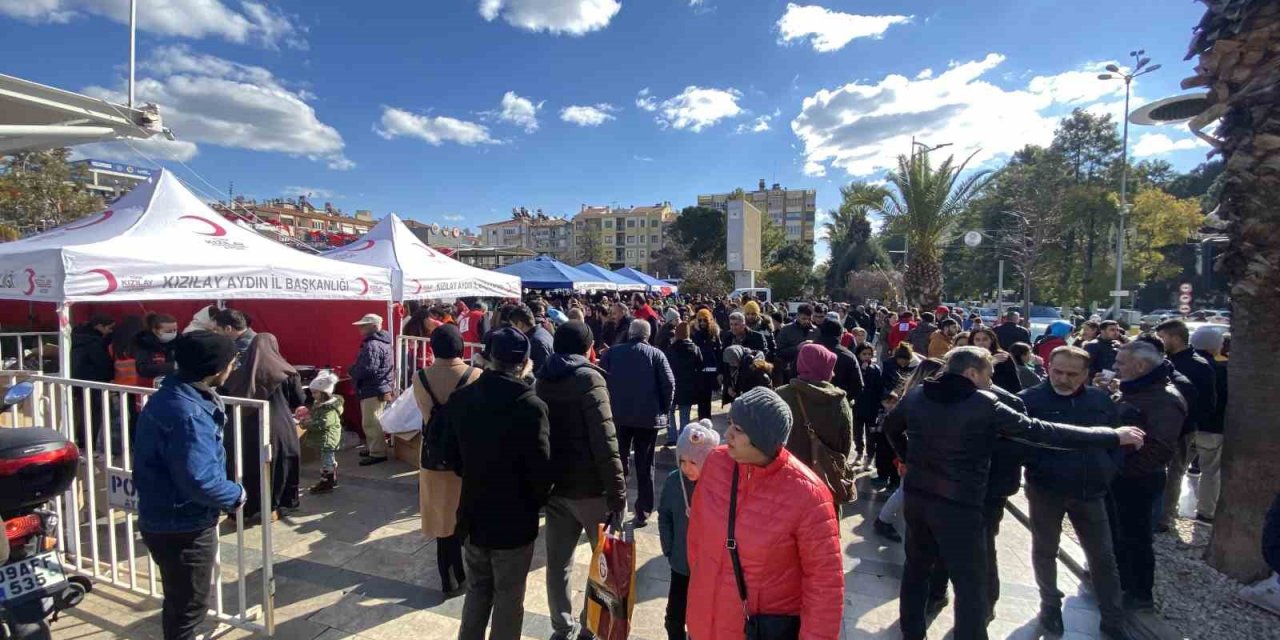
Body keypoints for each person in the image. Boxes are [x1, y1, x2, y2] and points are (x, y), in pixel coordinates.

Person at [884, 347, 1144, 640]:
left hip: (919, 499)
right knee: (970, 583)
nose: (992, 382)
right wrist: (1112, 435)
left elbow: (891, 427)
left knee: (916, 569)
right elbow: (1042, 431)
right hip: (961, 506)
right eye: (989, 375)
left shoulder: (917, 394)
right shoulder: (984, 403)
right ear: (972, 373)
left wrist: (909, 459)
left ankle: (912, 633)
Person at [685, 387, 844, 640]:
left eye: (738, 430)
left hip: (757, 630)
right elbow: (697, 536)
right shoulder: (716, 463)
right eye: (730, 424)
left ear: (763, 439)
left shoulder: (809, 495)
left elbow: (824, 586)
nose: (727, 435)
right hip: (704, 621)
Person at [134, 331, 245, 640]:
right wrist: (236, 494)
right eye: (232, 362)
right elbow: (200, 480)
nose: (234, 367)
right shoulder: (189, 413)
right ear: (215, 367)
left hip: (164, 514)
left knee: (180, 601)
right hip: (182, 523)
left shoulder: (171, 396)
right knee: (188, 609)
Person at [445, 327, 552, 640]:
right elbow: (541, 469)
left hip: (474, 513)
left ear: (488, 358)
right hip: (515, 521)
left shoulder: (462, 399)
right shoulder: (531, 407)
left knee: (477, 591)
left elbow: (451, 457)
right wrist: (534, 501)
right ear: (525, 363)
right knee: (508, 597)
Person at [1020, 346, 1129, 639]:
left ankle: (1113, 619)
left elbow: (1117, 439)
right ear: (1048, 368)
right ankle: (1050, 606)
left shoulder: (1100, 401)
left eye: (1071, 374)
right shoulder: (1029, 400)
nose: (1063, 379)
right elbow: (1019, 443)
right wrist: (1038, 466)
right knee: (1045, 549)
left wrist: (1108, 469)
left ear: (1085, 375)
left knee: (1103, 557)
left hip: (1091, 491)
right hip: (1046, 490)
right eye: (1057, 371)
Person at [535, 321, 627, 639]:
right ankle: (592, 626)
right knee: (602, 562)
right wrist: (617, 491)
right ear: (587, 346)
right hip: (591, 489)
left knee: (558, 563)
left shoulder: (542, 379)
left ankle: (561, 626)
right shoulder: (589, 378)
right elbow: (606, 439)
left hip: (556, 487)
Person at [1103, 340, 1185, 612]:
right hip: (1118, 475)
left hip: (1136, 480)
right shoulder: (1136, 390)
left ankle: (1139, 594)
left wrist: (1121, 471)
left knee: (1135, 537)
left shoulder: (1166, 399)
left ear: (1139, 366)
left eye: (1121, 363)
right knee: (1116, 532)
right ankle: (1118, 582)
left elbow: (1160, 449)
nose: (1115, 367)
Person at [413, 324, 482, 598]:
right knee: (469, 518)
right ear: (461, 346)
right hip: (469, 457)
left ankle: (450, 579)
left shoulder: (421, 377)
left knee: (443, 526)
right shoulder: (475, 375)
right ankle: (473, 576)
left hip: (436, 457)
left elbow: (424, 412)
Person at [224, 333, 306, 521]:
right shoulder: (287, 372)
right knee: (277, 467)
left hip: (241, 428)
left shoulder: (236, 374)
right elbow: (299, 400)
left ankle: (240, 509)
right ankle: (272, 508)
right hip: (278, 428)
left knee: (242, 467)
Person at [600, 319, 674, 528]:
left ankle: (616, 508)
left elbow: (600, 381)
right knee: (644, 464)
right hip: (646, 419)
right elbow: (669, 385)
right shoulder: (656, 354)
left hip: (619, 417)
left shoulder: (612, 353)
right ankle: (643, 511)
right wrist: (663, 410)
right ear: (647, 335)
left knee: (618, 462)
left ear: (630, 333)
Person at [872, 358, 944, 544]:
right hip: (913, 450)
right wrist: (903, 456)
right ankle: (883, 520)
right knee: (905, 489)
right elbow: (895, 426)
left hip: (914, 449)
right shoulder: (918, 395)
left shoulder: (914, 393)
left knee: (907, 488)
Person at [658, 420, 719, 640]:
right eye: (682, 460)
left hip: (707, 569)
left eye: (694, 462)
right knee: (674, 616)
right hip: (680, 564)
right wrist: (668, 547)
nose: (686, 467)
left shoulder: (717, 484)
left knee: (702, 616)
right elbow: (664, 514)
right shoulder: (674, 481)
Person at [1155, 319, 1217, 530]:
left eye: (1162, 338)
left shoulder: (1198, 365)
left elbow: (1208, 402)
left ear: (1174, 337)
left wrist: (1189, 422)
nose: (1160, 342)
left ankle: (1165, 517)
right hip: (1159, 426)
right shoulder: (1163, 361)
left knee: (1174, 472)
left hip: (1182, 429)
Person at [778, 344, 855, 502]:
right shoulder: (839, 401)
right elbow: (845, 446)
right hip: (824, 482)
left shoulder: (780, 396)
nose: (833, 373)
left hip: (786, 480)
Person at [1189, 326, 1228, 523]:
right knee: (1211, 471)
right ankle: (1205, 512)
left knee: (1175, 469)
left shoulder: (1183, 363)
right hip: (1212, 427)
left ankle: (1164, 511)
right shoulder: (1223, 369)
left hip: (1185, 425)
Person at [349, 313, 395, 466]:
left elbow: (368, 369)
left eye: (364, 325)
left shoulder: (372, 344)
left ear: (374, 326)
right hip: (378, 387)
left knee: (371, 422)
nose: (360, 328)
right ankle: (374, 448)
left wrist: (353, 371)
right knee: (371, 421)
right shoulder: (380, 342)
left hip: (373, 387)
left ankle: (377, 452)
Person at [300, 370, 344, 494]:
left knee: (327, 460)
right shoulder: (320, 404)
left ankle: (327, 481)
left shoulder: (329, 409)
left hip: (328, 438)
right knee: (328, 458)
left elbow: (323, 423)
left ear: (324, 392)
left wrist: (309, 424)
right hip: (326, 437)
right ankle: (331, 478)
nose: (313, 395)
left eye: (315, 392)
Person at [665, 321, 704, 446]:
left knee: (669, 412)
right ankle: (683, 438)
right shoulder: (695, 348)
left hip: (673, 384)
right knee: (685, 414)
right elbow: (700, 365)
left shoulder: (670, 349)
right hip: (688, 385)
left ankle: (671, 437)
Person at [818, 318, 863, 406]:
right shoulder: (848, 356)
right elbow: (858, 385)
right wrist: (844, 401)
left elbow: (793, 375)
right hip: (837, 407)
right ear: (840, 335)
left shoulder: (806, 351)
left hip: (808, 405)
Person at [853, 343, 883, 467]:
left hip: (872, 407)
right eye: (864, 354)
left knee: (871, 435)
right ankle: (859, 453)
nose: (866, 357)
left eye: (869, 354)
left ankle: (869, 456)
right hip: (858, 405)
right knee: (857, 433)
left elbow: (879, 388)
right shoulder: (856, 368)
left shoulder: (875, 369)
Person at [691, 309, 723, 421]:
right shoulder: (694, 333)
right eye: (700, 320)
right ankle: (701, 420)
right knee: (701, 400)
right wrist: (698, 330)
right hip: (699, 371)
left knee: (707, 398)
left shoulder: (714, 333)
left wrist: (719, 371)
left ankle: (707, 420)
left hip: (710, 370)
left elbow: (719, 351)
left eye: (705, 320)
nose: (702, 323)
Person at [971, 326, 1022, 394]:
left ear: (991, 340)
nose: (981, 343)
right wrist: (991, 363)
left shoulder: (1003, 356)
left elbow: (1014, 382)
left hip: (1001, 395)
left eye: (985, 339)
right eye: (977, 340)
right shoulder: (969, 357)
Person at [776, 303, 819, 380]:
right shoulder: (786, 330)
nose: (807, 321)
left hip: (811, 373)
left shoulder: (816, 331)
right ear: (797, 316)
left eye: (809, 319)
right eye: (804, 319)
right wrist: (797, 348)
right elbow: (779, 352)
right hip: (791, 372)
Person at [136, 313, 180, 388]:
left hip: (171, 387)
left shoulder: (178, 342)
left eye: (175, 330)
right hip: (148, 389)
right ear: (155, 331)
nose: (173, 333)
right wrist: (173, 366)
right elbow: (143, 370)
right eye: (168, 331)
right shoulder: (145, 344)